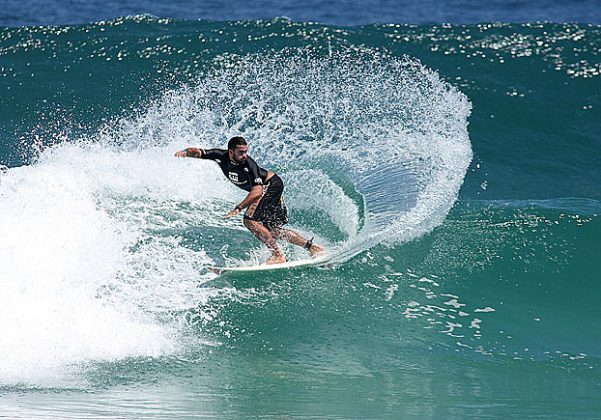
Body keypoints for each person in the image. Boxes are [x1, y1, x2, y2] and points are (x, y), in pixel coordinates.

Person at [175, 136, 324, 264]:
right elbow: (200, 152)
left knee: (249, 220)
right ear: (231, 152)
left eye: (246, 151)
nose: (245, 155)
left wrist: (238, 208)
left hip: (270, 186)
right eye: (241, 152)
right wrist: (186, 152)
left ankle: (277, 255)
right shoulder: (220, 155)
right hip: (269, 188)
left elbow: (257, 191)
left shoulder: (249, 164)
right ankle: (312, 248)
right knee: (273, 230)